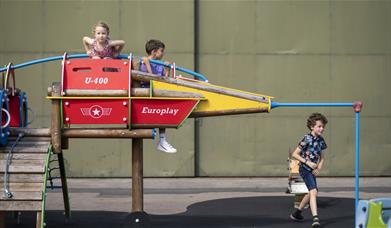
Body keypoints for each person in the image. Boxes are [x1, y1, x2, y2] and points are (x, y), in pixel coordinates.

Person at [290, 113, 328, 228]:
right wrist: (307, 163)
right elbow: (294, 154)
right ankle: (315, 218)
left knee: (311, 192)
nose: (322, 128)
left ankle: (297, 213)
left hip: (312, 170)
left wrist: (318, 167)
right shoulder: (306, 138)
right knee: (314, 191)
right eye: (319, 126)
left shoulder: (321, 140)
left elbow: (322, 158)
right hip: (304, 168)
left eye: (323, 126)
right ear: (312, 127)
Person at [139, 39, 177, 153]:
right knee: (161, 106)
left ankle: (162, 139)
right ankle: (162, 139)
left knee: (164, 107)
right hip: (145, 92)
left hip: (157, 91)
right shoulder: (143, 61)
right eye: (161, 51)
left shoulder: (159, 64)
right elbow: (150, 77)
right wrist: (147, 63)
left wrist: (167, 70)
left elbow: (163, 80)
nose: (163, 53)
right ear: (154, 52)